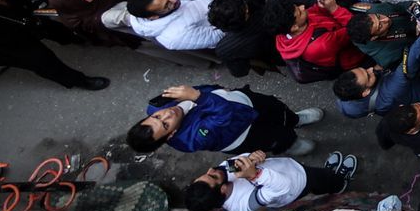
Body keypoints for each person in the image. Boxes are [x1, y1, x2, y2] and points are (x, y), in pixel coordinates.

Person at [128, 84, 324, 157]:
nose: (166, 114)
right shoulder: (193, 140)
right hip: (245, 132)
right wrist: (198, 97)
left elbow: (200, 87)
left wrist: (215, 89)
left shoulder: (156, 105)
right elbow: (224, 115)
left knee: (276, 109)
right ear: (170, 135)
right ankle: (290, 143)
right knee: (275, 137)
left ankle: (296, 119)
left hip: (245, 102)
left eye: (156, 117)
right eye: (165, 124)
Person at [185, 149, 354, 211]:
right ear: (222, 190)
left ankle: (329, 174)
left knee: (318, 175)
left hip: (287, 166)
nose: (211, 170)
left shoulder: (221, 173)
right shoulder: (243, 205)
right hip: (298, 182)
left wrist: (253, 158)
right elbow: (283, 186)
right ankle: (340, 182)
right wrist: (254, 174)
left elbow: (240, 159)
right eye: (212, 177)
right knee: (320, 180)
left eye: (206, 174)